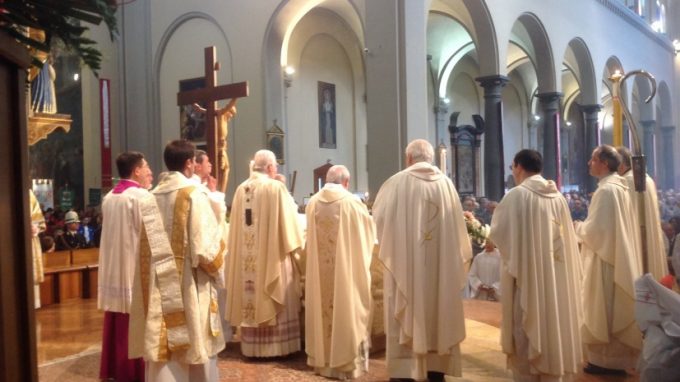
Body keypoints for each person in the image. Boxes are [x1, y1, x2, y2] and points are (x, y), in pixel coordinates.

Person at [372, 139, 472, 382]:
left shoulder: (397, 183)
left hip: (406, 266)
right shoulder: (447, 185)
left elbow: (379, 221)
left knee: (406, 307)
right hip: (441, 270)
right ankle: (435, 369)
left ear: (409, 158)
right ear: (431, 158)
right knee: (439, 309)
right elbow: (459, 232)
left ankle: (405, 372)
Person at [128, 140, 226, 382]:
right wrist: (219, 269)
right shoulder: (193, 194)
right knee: (192, 344)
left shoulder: (150, 197)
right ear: (189, 163)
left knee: (162, 344)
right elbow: (206, 251)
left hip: (157, 284)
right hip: (187, 285)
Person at [488, 149, 583, 381]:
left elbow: (499, 235)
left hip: (528, 280)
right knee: (554, 323)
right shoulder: (558, 196)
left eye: (513, 168)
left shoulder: (517, 195)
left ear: (519, 166)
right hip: (556, 277)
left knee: (525, 327)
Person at [225, 149, 303, 357]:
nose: (276, 170)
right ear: (269, 167)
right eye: (275, 167)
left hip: (247, 261)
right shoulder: (275, 187)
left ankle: (252, 347)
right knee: (275, 283)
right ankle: (276, 348)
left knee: (251, 291)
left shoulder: (241, 189)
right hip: (272, 256)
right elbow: (291, 223)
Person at [574, 144, 642, 375]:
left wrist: (577, 227)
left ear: (603, 163)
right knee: (612, 308)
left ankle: (606, 361)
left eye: (592, 159)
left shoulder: (606, 191)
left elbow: (597, 231)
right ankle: (614, 360)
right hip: (615, 253)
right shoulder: (618, 187)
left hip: (605, 259)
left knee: (604, 308)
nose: (589, 163)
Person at [304, 165, 375, 379]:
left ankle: (323, 362)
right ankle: (345, 364)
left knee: (322, 309)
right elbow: (367, 237)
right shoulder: (352, 203)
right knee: (348, 306)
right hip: (345, 275)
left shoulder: (313, 202)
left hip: (320, 275)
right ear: (346, 182)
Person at [98, 151, 152, 382]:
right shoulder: (140, 197)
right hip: (133, 268)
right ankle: (134, 371)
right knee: (135, 318)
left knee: (117, 317)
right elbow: (151, 235)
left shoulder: (110, 196)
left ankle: (114, 368)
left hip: (113, 269)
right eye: (146, 167)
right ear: (136, 170)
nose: (150, 172)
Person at [616, 146, 668, 280]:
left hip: (637, 239)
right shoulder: (646, 178)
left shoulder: (627, 181)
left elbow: (626, 218)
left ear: (621, 165)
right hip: (649, 234)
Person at [29, 189, 45, 308]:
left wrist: (34, 227)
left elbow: (37, 218)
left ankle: (32, 304)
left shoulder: (28, 194)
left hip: (29, 239)